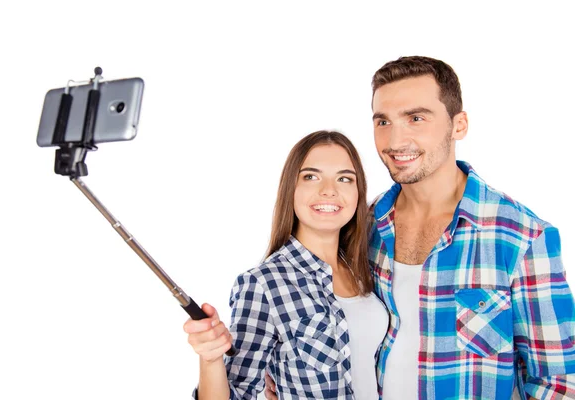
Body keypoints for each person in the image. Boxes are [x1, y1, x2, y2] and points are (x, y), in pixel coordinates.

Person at [265, 56, 575, 399]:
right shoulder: (359, 227)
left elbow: (558, 382)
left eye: (416, 118)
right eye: (383, 121)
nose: (395, 140)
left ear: (459, 125)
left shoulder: (522, 238)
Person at [184, 130, 389, 399]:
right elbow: (238, 392)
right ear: (290, 188)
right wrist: (210, 359)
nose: (329, 190)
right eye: (311, 177)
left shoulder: (366, 265)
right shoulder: (263, 284)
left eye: (344, 178)